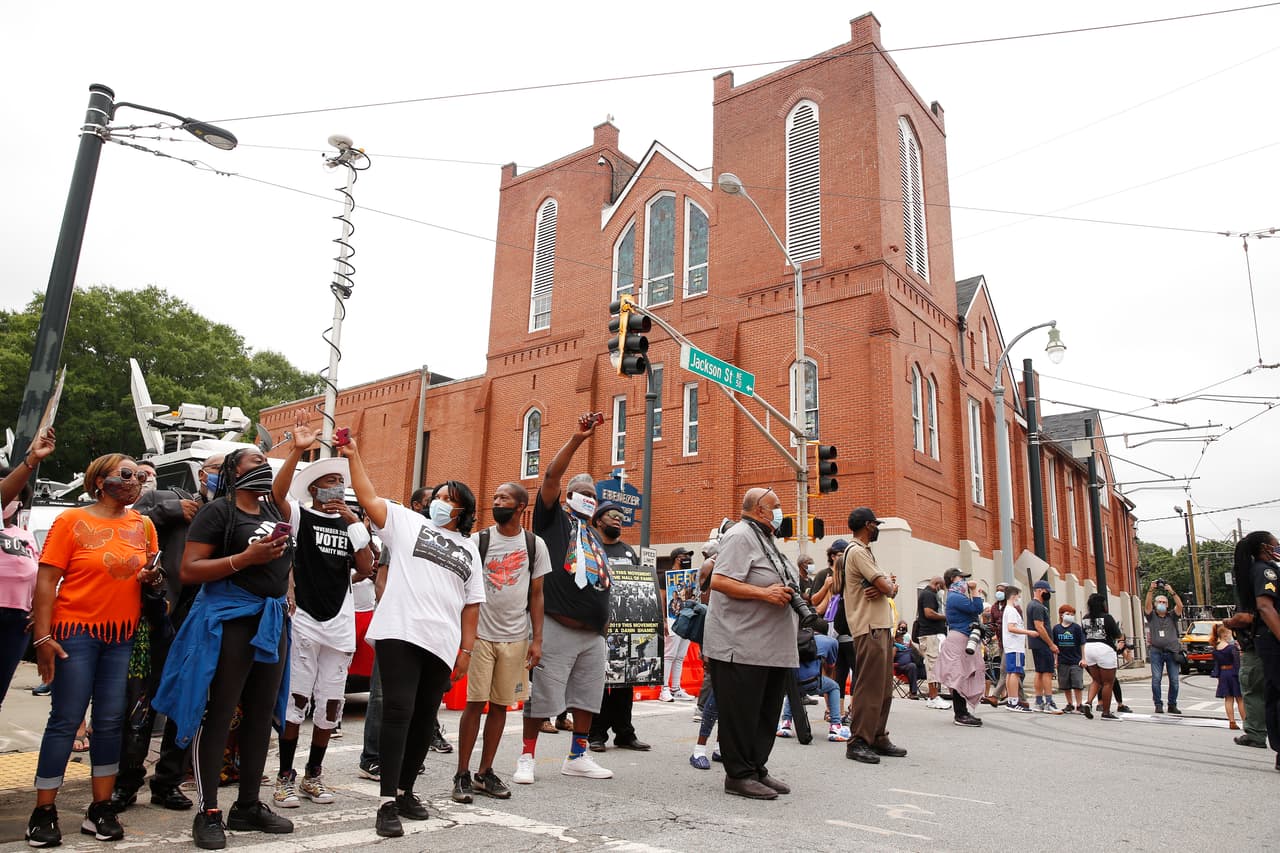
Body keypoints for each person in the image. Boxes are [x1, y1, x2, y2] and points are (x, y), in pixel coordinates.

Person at [153, 448, 296, 850]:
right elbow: (189, 569)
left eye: (266, 461)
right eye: (254, 460)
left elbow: (283, 565)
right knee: (219, 714)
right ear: (234, 470)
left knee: (260, 715)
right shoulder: (218, 512)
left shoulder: (273, 511)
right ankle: (208, 810)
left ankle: (248, 805)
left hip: (271, 623)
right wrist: (245, 558)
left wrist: (286, 592)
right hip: (230, 621)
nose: (263, 465)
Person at [343, 438, 485, 837]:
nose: (439, 502)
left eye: (448, 499)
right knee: (399, 711)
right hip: (400, 631)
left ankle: (406, 791)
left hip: (442, 642)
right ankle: (386, 802)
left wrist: (466, 652)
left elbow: (472, 605)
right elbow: (369, 498)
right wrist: (354, 456)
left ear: (463, 511)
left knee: (425, 719)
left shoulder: (470, 551)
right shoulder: (408, 523)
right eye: (437, 495)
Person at [25, 452, 162, 847]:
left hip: (122, 635)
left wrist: (152, 578)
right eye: (125, 474)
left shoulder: (144, 524)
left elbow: (150, 576)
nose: (134, 480)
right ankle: (44, 811)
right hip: (75, 633)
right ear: (100, 480)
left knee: (109, 722)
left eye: (138, 475)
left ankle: (100, 808)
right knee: (66, 720)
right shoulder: (70, 521)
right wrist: (43, 637)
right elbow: (47, 579)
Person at [112, 451, 224, 812]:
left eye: (226, 472)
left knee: (185, 704)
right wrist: (169, 513)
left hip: (202, 622)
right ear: (202, 473)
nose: (220, 478)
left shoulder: (232, 513)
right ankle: (126, 782)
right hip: (157, 617)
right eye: (216, 471)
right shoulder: (168, 497)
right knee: (139, 703)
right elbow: (124, 520)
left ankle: (168, 782)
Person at [270, 424, 375, 809]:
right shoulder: (300, 516)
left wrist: (352, 521)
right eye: (327, 482)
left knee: (331, 704)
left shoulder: (352, 524)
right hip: (306, 619)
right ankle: (285, 776)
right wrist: (297, 452)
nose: (335, 488)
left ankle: (314, 774)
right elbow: (277, 494)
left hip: (340, 622)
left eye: (338, 482)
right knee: (296, 701)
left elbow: (365, 567)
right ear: (313, 489)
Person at [517, 413, 614, 785]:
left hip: (593, 633)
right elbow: (551, 477)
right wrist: (577, 439)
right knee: (540, 695)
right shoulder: (552, 520)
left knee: (588, 698)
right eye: (581, 493)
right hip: (557, 624)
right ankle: (527, 756)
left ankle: (578, 754)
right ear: (568, 497)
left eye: (592, 495)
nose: (587, 499)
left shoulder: (593, 535)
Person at [454, 482, 549, 802]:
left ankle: (485, 772)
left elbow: (537, 595)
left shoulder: (535, 545)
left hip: (515, 638)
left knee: (499, 706)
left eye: (503, 498)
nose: (496, 502)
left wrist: (537, 639)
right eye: (494, 497)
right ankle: (462, 774)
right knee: (474, 704)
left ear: (521, 506)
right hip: (481, 635)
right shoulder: (479, 541)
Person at [702, 487, 798, 799]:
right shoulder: (740, 535)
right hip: (741, 645)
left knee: (766, 713)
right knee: (742, 713)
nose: (781, 511)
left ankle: (757, 768)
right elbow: (719, 580)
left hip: (771, 648)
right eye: (777, 506)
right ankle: (738, 775)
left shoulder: (767, 539)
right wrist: (765, 593)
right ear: (759, 509)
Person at [841, 507, 906, 764]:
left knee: (883, 688)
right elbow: (886, 586)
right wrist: (888, 587)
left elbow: (885, 587)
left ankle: (877, 735)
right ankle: (858, 741)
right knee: (870, 687)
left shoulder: (863, 551)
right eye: (875, 525)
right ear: (868, 525)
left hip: (878, 626)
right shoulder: (857, 551)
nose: (877, 528)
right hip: (869, 627)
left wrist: (887, 588)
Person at [589, 501, 652, 752]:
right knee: (600, 682)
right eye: (612, 515)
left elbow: (640, 587)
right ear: (598, 520)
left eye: (621, 516)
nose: (618, 519)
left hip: (627, 626)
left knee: (626, 681)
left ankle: (625, 732)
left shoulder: (628, 551)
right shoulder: (592, 549)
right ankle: (596, 733)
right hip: (598, 626)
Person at [0, 430, 55, 710]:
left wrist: (39, 613)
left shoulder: (24, 536)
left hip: (17, 621)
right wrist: (31, 461)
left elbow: (38, 576)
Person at [1230, 531, 1280, 768]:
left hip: (1266, 639)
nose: (1278, 547)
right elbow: (1265, 607)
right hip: (1272, 639)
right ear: (1264, 547)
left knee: (1274, 694)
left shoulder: (1263, 569)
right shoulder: (1264, 570)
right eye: (1275, 544)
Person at [935, 568, 986, 727]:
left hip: (964, 637)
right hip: (959, 638)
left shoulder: (957, 595)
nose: (964, 581)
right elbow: (977, 609)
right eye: (961, 578)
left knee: (965, 674)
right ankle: (960, 714)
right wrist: (975, 592)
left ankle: (963, 712)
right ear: (952, 579)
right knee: (958, 676)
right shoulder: (955, 596)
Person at [778, 631, 849, 742]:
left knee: (793, 688)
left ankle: (785, 724)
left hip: (792, 680)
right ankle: (835, 726)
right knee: (834, 686)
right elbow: (831, 665)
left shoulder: (795, 637)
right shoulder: (830, 641)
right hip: (812, 681)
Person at [659, 547, 697, 702]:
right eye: (685, 556)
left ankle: (675, 688)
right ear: (677, 558)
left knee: (680, 656)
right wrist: (663, 619)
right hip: (673, 619)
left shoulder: (690, 576)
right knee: (669, 655)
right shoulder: (665, 576)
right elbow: (662, 598)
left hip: (687, 618)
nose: (687, 558)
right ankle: (664, 689)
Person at [1144, 579, 1184, 714]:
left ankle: (1172, 704)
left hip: (1172, 651)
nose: (1161, 604)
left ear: (1167, 605)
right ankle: (1158, 704)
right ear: (1155, 605)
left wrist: (1171, 592)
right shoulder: (1151, 616)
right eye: (1159, 602)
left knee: (1174, 680)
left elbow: (1180, 607)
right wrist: (1151, 590)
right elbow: (1147, 606)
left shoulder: (1172, 616)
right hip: (1156, 651)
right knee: (1156, 678)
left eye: (1164, 603)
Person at [1081, 593, 1123, 720]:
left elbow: (1083, 634)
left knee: (1096, 679)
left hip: (1089, 648)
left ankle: (1088, 702)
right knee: (1108, 683)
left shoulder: (1085, 618)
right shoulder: (1107, 617)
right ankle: (1106, 711)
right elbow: (1117, 634)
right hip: (1104, 648)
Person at [1025, 580, 1061, 713]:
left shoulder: (1032, 605)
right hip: (1043, 644)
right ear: (1040, 591)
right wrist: (1051, 644)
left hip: (1036, 644)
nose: (1048, 595)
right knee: (1047, 672)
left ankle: (1039, 701)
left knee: (1039, 672)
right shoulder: (1038, 607)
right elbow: (1039, 626)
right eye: (1047, 592)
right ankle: (1049, 701)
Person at [1001, 585, 1036, 713]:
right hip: (1014, 646)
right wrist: (1028, 632)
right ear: (1014, 595)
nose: (1019, 598)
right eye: (1019, 595)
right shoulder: (1011, 610)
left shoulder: (1009, 609)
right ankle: (1014, 701)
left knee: (1011, 673)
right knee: (1015, 673)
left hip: (1012, 646)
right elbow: (1011, 627)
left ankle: (1011, 699)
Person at [915, 576, 948, 709]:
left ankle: (934, 696)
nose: (943, 590)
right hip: (930, 635)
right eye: (943, 587)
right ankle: (933, 697)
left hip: (932, 635)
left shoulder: (929, 594)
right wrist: (946, 617)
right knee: (932, 665)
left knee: (934, 665)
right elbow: (928, 613)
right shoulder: (928, 594)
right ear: (938, 584)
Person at [1051, 605, 1090, 717]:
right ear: (1061, 615)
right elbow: (1055, 646)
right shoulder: (1057, 629)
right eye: (1068, 614)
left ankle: (1079, 704)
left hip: (1075, 660)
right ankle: (1069, 703)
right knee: (1065, 684)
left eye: (1072, 614)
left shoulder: (1076, 628)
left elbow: (1082, 643)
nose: (1070, 616)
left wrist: (1083, 658)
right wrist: (1055, 660)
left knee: (1077, 683)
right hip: (1063, 660)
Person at [1212, 623, 1244, 730]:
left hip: (1223, 673)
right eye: (1230, 633)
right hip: (1233, 672)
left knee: (1228, 699)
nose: (1231, 636)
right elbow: (1237, 663)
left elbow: (1216, 665)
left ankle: (1232, 722)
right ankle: (1245, 721)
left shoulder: (1216, 648)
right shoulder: (1231, 648)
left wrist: (1218, 676)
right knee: (1240, 699)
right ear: (1225, 634)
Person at [892, 622, 921, 699]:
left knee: (921, 664)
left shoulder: (908, 644)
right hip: (900, 667)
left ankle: (933, 689)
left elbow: (918, 655)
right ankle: (913, 693)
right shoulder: (895, 646)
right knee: (912, 666)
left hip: (911, 667)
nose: (902, 638)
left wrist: (912, 646)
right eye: (901, 637)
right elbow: (890, 660)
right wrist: (896, 646)